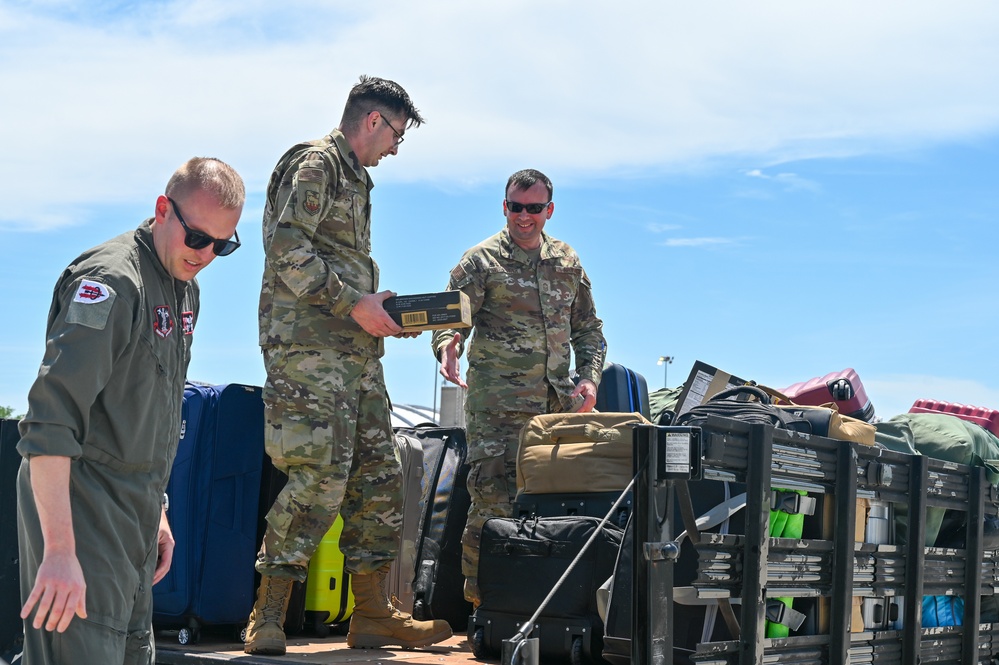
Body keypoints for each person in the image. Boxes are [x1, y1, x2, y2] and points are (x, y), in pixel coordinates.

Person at [246, 75, 451, 654]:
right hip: (309, 351)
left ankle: (371, 613)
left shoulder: (357, 179)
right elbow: (286, 246)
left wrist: (381, 312)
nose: (394, 149)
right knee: (318, 476)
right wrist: (352, 303)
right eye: (397, 136)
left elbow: (339, 266)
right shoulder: (317, 164)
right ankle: (267, 614)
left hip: (355, 353)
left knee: (379, 478)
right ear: (374, 121)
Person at [16, 157, 245, 664]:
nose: (206, 255)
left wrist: (157, 510)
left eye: (222, 245)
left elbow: (147, 413)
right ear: (163, 210)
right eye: (197, 238)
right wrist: (58, 552)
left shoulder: (184, 289)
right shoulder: (111, 283)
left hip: (134, 518)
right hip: (81, 509)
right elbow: (50, 422)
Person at [431, 168, 607, 606]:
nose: (523, 217)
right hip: (498, 409)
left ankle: (540, 605)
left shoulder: (567, 261)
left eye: (533, 208)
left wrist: (589, 378)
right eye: (515, 207)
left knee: (553, 507)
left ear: (549, 210)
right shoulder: (480, 261)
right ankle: (482, 608)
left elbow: (589, 330)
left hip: (556, 410)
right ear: (504, 206)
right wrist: (447, 345)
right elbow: (450, 317)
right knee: (492, 508)